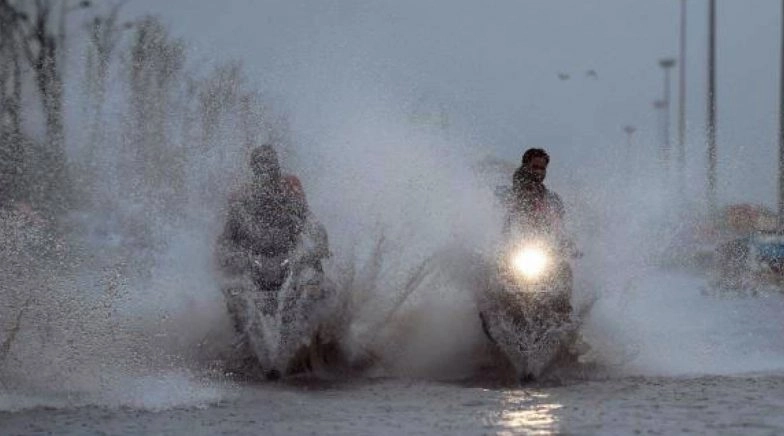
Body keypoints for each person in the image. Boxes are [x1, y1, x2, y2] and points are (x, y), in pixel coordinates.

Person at [506, 148, 565, 236]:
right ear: (525, 167)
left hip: (543, 243)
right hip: (513, 241)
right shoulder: (509, 195)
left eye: (542, 168)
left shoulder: (552, 199)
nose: (538, 172)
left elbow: (559, 227)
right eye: (535, 167)